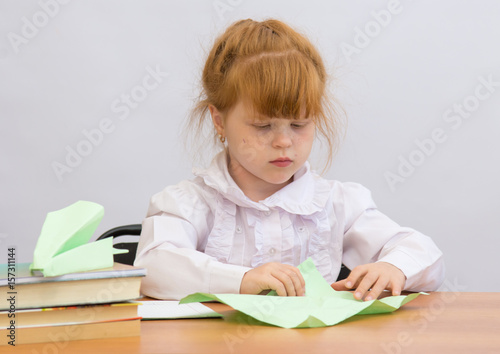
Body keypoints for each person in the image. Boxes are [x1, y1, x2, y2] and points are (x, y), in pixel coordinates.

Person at [134, 18, 444, 301]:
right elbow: (153, 265)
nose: (284, 141)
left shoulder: (336, 204)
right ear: (219, 120)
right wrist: (240, 279)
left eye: (299, 125)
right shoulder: (189, 202)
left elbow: (422, 251)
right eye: (262, 126)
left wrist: (394, 267)